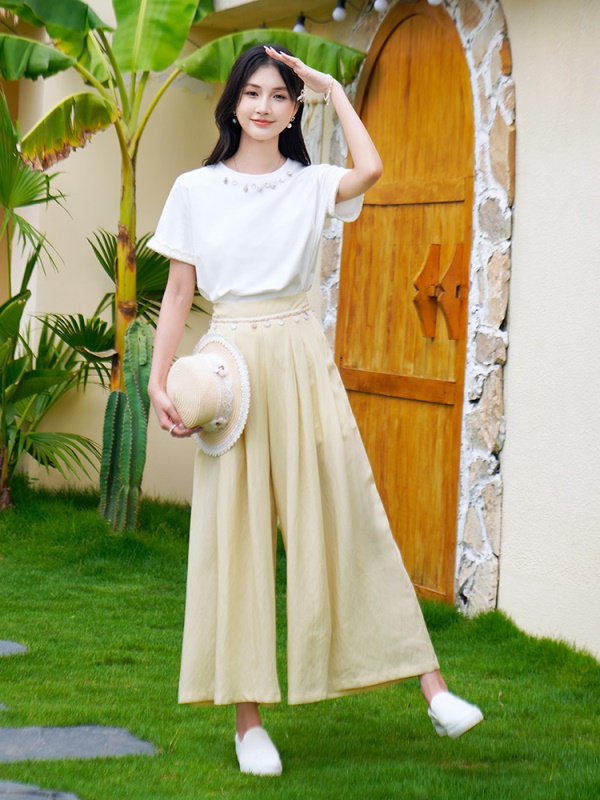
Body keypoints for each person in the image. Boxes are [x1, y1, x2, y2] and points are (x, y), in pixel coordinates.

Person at [147, 44, 483, 777]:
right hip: (232, 366)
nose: (265, 107)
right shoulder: (194, 189)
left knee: (349, 512)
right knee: (235, 538)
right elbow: (178, 291)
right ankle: (248, 724)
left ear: (295, 109)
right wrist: (158, 378)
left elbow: (371, 168)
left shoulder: (310, 183)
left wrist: (333, 87)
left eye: (280, 96)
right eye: (253, 93)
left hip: (301, 357)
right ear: (233, 102)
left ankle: (433, 690)